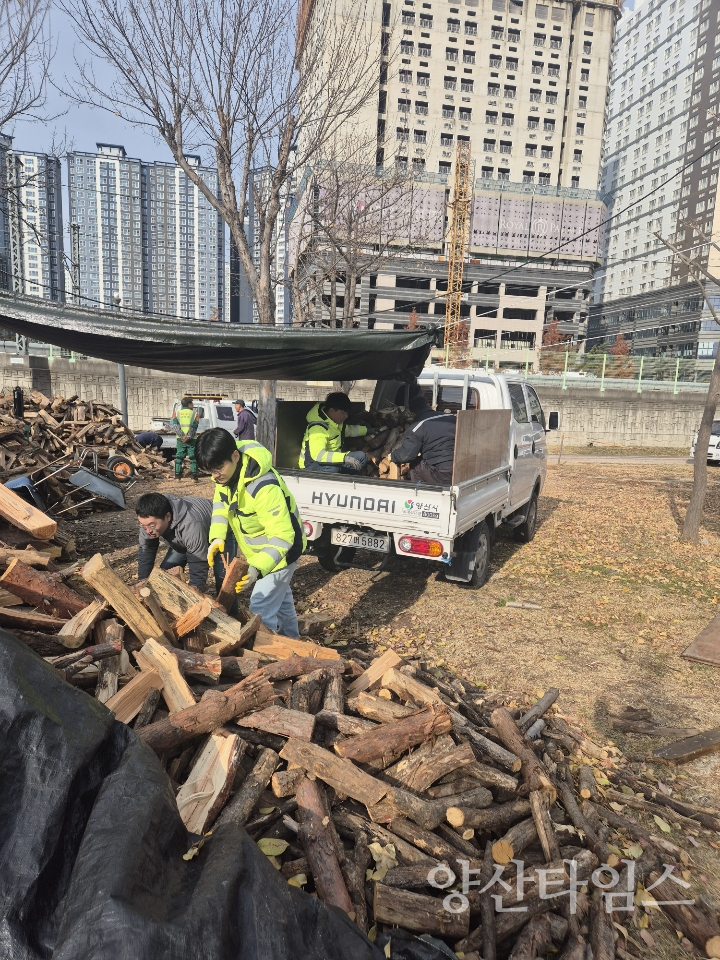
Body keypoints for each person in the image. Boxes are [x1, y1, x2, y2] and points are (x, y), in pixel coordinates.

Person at [196, 428, 306, 639]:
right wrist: (217, 536)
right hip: (260, 551)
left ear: (235, 456)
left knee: (261, 604)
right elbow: (220, 504)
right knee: (281, 601)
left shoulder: (263, 487)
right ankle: (294, 644)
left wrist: (256, 568)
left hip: (282, 553)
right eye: (209, 471)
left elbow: (283, 536)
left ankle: (267, 655)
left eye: (218, 469)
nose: (214, 476)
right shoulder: (225, 477)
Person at [136, 492, 214, 589]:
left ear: (168, 517)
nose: (148, 531)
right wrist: (142, 582)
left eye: (152, 526)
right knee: (165, 577)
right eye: (143, 525)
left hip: (219, 535)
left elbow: (198, 561)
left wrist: (196, 592)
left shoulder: (190, 524)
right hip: (186, 541)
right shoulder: (148, 523)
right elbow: (146, 549)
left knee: (222, 578)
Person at [390, 394, 456, 485]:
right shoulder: (451, 418)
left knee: (415, 464)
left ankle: (420, 494)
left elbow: (405, 456)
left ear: (413, 414)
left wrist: (392, 456)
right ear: (429, 407)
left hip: (443, 474)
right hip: (461, 469)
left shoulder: (417, 427)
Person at [298, 391, 368, 473]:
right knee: (333, 469)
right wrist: (344, 458)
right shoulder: (318, 428)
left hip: (331, 460)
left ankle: (346, 479)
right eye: (343, 413)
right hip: (311, 465)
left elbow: (349, 430)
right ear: (331, 411)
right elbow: (318, 455)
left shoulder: (335, 423)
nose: (346, 416)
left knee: (361, 456)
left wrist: (368, 430)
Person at [172, 396, 200, 482]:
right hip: (192, 440)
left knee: (179, 457)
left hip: (180, 440)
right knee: (193, 458)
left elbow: (175, 427)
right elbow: (195, 427)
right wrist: (189, 436)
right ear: (189, 404)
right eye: (192, 403)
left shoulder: (176, 414)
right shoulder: (195, 414)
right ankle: (194, 478)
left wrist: (182, 436)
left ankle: (177, 477)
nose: (193, 405)